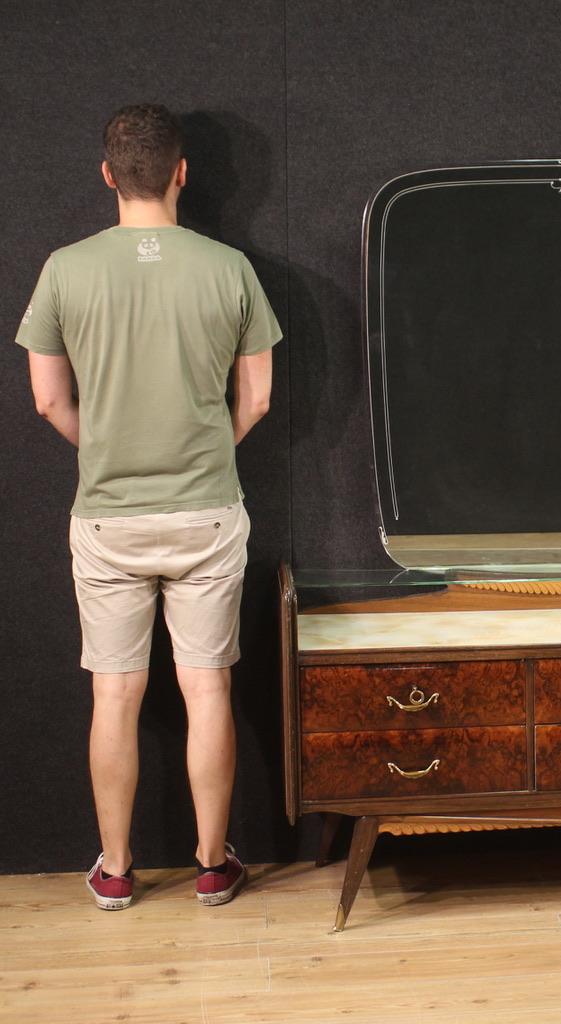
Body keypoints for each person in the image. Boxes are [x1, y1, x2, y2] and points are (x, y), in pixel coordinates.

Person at [14, 103, 282, 910]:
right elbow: (259, 398)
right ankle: (210, 863)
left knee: (114, 696)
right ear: (181, 173)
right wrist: (201, 448)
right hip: (205, 510)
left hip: (107, 518)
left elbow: (48, 401)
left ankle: (118, 868)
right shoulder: (229, 267)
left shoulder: (65, 268)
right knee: (208, 690)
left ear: (107, 175)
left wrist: (109, 450)